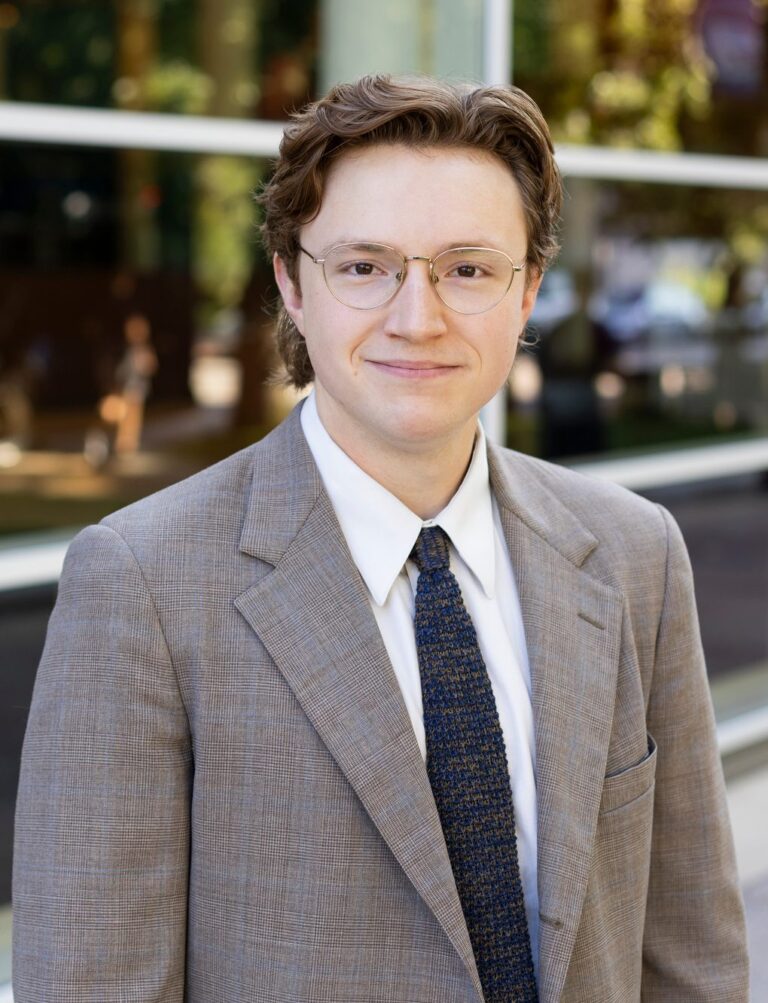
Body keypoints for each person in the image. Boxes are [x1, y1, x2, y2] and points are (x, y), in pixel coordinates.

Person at [13, 75, 748, 1002]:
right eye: (365, 266)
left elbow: (692, 959)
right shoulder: (143, 583)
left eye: (468, 269)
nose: (418, 316)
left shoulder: (636, 553)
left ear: (527, 295)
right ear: (291, 281)